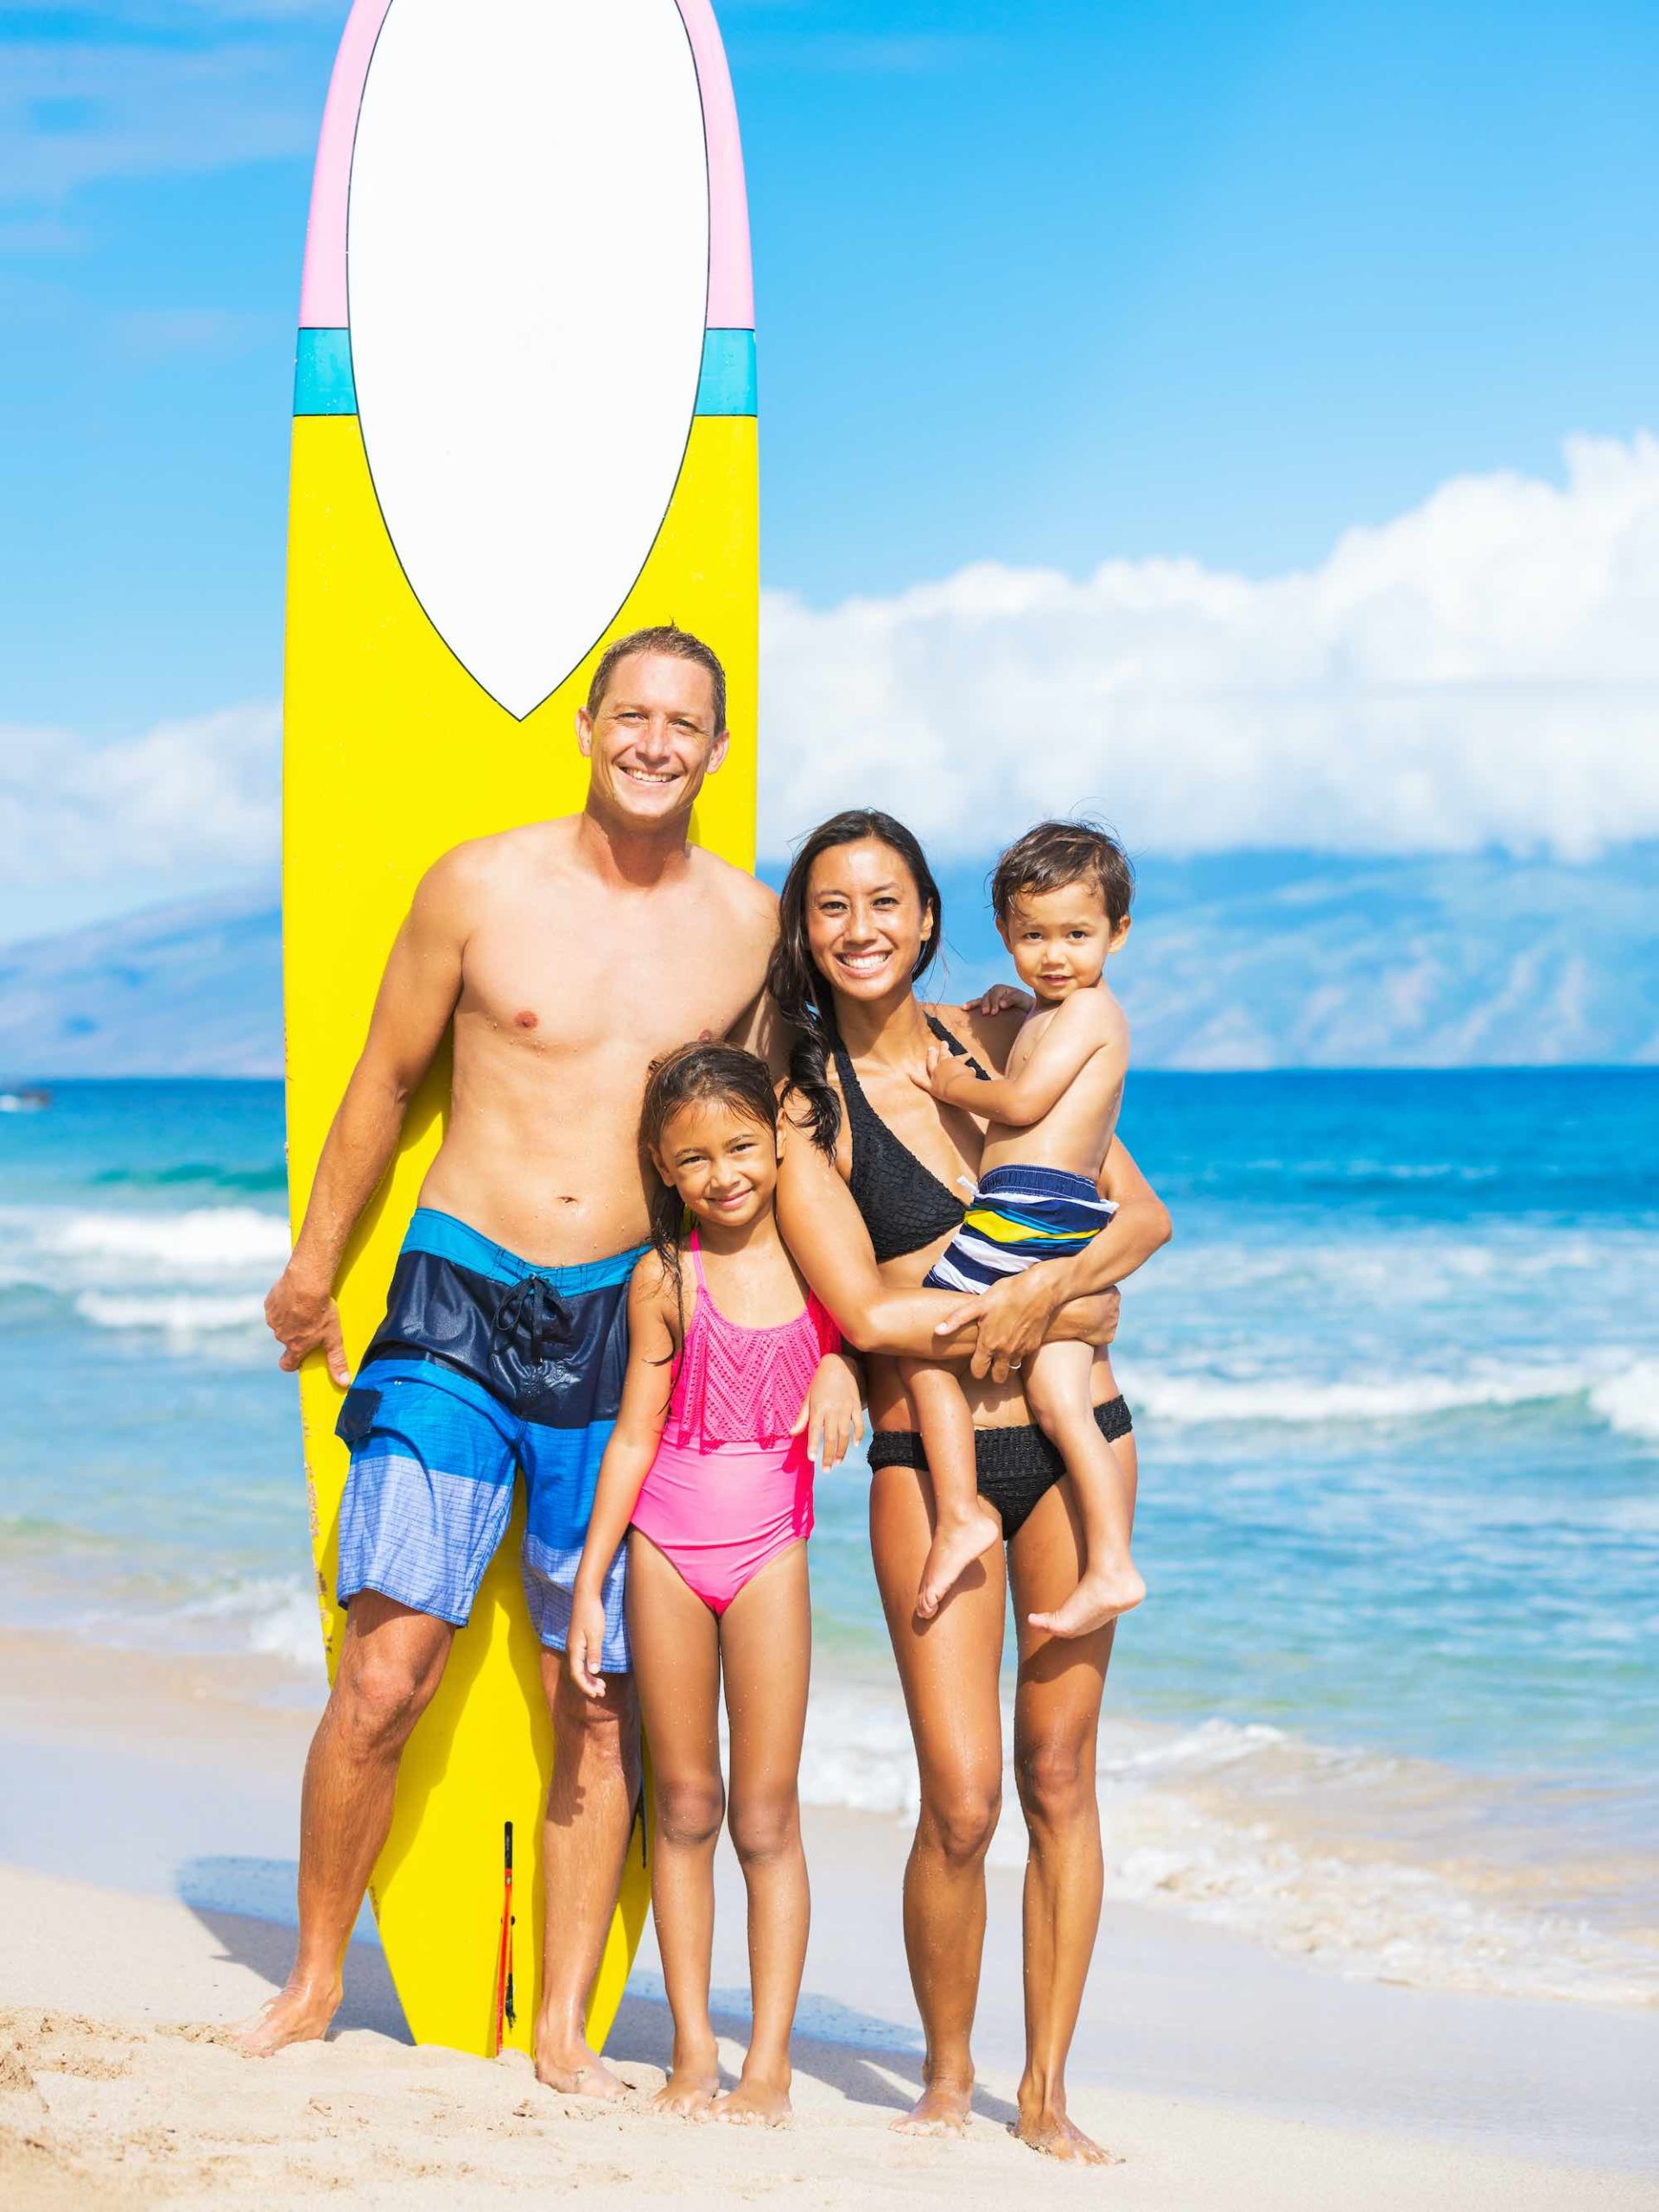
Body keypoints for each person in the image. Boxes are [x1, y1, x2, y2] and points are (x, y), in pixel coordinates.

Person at [242, 625, 779, 2094]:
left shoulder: (748, 926)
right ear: (591, 724)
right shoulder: (479, 887)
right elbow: (384, 1077)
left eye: (687, 723)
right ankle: (308, 1980)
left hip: (626, 1323)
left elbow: (795, 1125)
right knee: (388, 1671)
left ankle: (557, 2031)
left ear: (718, 749)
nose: (657, 742)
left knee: (591, 1691)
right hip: (458, 1303)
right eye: (634, 714)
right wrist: (311, 1263)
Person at [769, 808, 1171, 2164]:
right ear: (806, 931)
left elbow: (1143, 1217)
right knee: (962, 1796)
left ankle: (1045, 2088)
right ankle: (946, 2077)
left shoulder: (1008, 1036)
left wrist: (1058, 1294)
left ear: (931, 919)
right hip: (921, 1455)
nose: (863, 929)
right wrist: (1018, 1316)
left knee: (1062, 1777)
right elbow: (868, 1308)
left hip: (1075, 1442)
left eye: (888, 902)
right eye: (834, 907)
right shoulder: (803, 1103)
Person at [567, 1044, 858, 2126]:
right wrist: (592, 1577)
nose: (725, 1172)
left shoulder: (821, 1258)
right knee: (684, 1804)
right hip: (664, 1551)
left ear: (778, 1143)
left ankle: (768, 2066)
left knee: (767, 1816)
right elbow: (636, 1433)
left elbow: (875, 1327)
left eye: (742, 1146)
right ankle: (694, 2052)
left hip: (772, 1548)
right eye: (695, 1157)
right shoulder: (664, 1276)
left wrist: (844, 1365)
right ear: (664, 1165)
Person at [904, 819, 1144, 1638]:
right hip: (1057, 1209)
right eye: (1032, 935)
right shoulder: (1053, 1011)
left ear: (1118, 931)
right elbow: (1037, 1058)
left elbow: (1021, 1104)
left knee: (919, 1336)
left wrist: (950, 1081)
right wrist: (1012, 1012)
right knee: (1058, 1398)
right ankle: (1111, 1563)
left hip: (1030, 1206)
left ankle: (962, 1509)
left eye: (1077, 935)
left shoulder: (1089, 1014)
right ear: (1005, 933)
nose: (1054, 956)